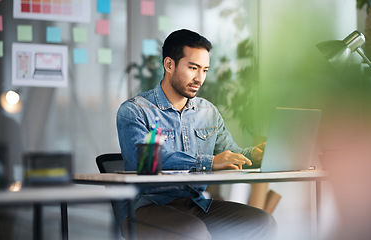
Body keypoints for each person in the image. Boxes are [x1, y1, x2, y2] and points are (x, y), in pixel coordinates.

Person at [117, 29, 277, 240]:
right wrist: (208, 162)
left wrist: (252, 157)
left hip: (195, 204)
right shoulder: (135, 111)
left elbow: (229, 154)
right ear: (169, 65)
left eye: (205, 70)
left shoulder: (207, 112)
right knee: (193, 231)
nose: (199, 78)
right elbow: (146, 161)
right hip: (147, 206)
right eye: (193, 68)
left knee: (262, 223)